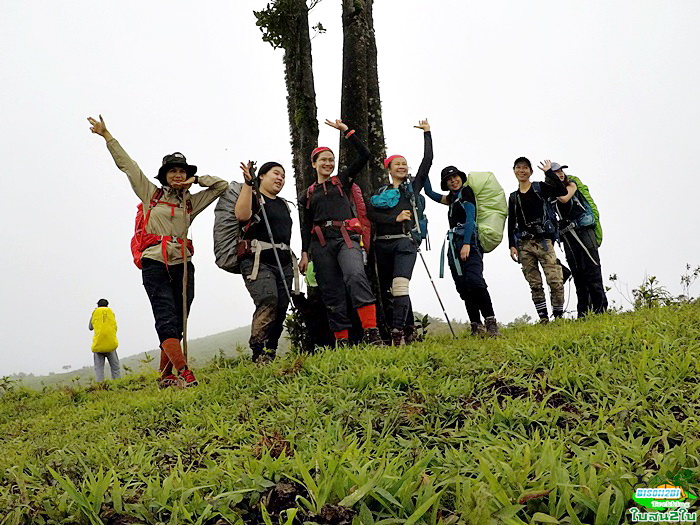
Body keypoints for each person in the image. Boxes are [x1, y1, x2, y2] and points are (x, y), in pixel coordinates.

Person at [87, 115, 227, 387]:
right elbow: (129, 166)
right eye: (173, 171)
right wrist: (107, 136)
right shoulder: (151, 195)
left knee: (180, 322)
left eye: (182, 171)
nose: (178, 174)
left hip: (184, 265)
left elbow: (222, 186)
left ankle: (165, 377)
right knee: (165, 318)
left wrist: (197, 180)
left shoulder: (191, 203)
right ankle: (185, 373)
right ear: (164, 176)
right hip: (155, 264)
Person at [298, 119, 380, 346]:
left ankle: (371, 333)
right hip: (321, 245)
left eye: (331, 160)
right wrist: (304, 253)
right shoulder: (306, 195)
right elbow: (305, 226)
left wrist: (347, 131)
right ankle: (342, 341)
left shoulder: (342, 181)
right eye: (323, 160)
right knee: (331, 290)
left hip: (346, 238)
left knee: (355, 275)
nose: (328, 163)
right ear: (313, 164)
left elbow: (364, 155)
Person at [367, 119, 432, 345]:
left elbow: (427, 162)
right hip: (382, 244)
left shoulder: (412, 189)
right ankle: (409, 329)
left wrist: (427, 134)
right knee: (391, 289)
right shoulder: (379, 193)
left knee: (400, 285)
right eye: (398, 164)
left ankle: (397, 334)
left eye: (405, 164)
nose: (402, 166)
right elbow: (371, 216)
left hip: (405, 242)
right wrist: (394, 217)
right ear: (389, 168)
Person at [424, 165, 502, 336]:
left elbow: (470, 218)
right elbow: (430, 193)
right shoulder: (451, 199)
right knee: (463, 287)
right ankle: (476, 326)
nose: (453, 181)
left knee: (475, 281)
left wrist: (467, 243)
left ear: (461, 177)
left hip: (470, 244)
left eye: (455, 177)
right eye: (449, 179)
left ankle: (491, 322)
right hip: (453, 247)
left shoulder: (466, 193)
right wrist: (424, 172)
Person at [235, 161, 295, 362]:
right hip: (257, 261)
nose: (280, 178)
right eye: (275, 173)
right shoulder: (253, 197)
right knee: (268, 300)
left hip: (284, 262)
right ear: (261, 176)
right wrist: (247, 184)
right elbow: (242, 215)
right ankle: (258, 350)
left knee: (281, 306)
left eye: (283, 176)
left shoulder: (283, 204)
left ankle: (271, 352)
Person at [507, 158, 568, 323]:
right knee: (534, 283)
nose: (522, 171)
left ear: (531, 171)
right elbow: (511, 222)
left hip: (543, 241)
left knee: (555, 280)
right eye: (518, 168)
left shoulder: (539, 187)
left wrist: (549, 172)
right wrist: (512, 245)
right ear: (514, 171)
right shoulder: (513, 197)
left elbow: (561, 191)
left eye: (525, 168)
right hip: (524, 244)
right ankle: (543, 318)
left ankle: (558, 316)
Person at [547, 162, 608, 317]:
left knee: (592, 270)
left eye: (561, 171)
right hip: (568, 236)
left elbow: (564, 198)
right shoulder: (549, 194)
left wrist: (551, 176)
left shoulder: (572, 184)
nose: (560, 174)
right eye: (556, 172)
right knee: (578, 274)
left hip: (584, 232)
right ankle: (584, 312)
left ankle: (600, 310)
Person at [89, 298, 121, 381]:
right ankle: (117, 384)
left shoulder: (95, 313)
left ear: (98, 305)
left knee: (99, 369)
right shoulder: (111, 312)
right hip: (110, 345)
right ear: (107, 305)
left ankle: (100, 387)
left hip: (98, 345)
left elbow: (90, 327)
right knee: (115, 368)